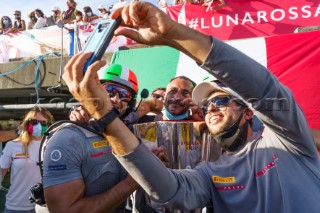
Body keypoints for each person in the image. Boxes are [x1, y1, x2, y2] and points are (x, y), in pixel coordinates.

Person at [62, 1, 320, 212]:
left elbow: (264, 89)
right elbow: (171, 192)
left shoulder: (288, 140)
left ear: (248, 110)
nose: (211, 109)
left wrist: (175, 34)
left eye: (220, 100)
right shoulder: (210, 171)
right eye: (207, 104)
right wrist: (103, 117)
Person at [42, 64, 141, 213]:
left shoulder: (127, 133)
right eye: (109, 90)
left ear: (130, 104)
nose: (115, 98)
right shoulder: (68, 138)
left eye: (124, 94)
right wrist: (133, 182)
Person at [0, 106, 53, 213]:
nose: (38, 125)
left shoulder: (53, 146)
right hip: (15, 207)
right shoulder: (12, 145)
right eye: (34, 122)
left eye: (43, 123)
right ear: (27, 123)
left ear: (48, 125)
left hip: (45, 207)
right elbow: (1, 171)